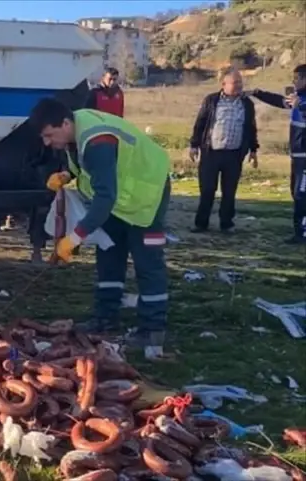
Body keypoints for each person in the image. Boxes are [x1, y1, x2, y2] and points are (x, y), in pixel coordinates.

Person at [28, 99, 172, 360]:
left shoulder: (98, 142)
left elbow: (104, 197)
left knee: (148, 263)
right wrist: (67, 176)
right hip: (118, 201)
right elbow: (86, 168)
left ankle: (152, 330)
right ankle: (105, 319)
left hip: (146, 197)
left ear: (65, 123)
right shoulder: (76, 129)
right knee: (109, 253)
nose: (48, 143)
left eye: (50, 135)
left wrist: (74, 237)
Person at [188, 67, 259, 234]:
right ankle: (201, 223)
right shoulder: (212, 101)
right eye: (235, 83)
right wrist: (194, 145)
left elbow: (251, 128)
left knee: (229, 191)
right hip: (211, 152)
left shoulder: (246, 104)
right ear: (224, 84)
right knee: (207, 190)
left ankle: (226, 224)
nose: (239, 86)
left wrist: (254, 150)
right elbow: (200, 123)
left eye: (240, 82)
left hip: (234, 154)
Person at [249, 64, 306, 245]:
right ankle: (299, 231)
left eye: (296, 78)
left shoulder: (303, 101)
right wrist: (256, 93)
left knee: (301, 195)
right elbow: (279, 101)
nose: (293, 82)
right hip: (297, 156)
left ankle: (302, 234)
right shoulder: (299, 98)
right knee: (296, 193)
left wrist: (302, 106)